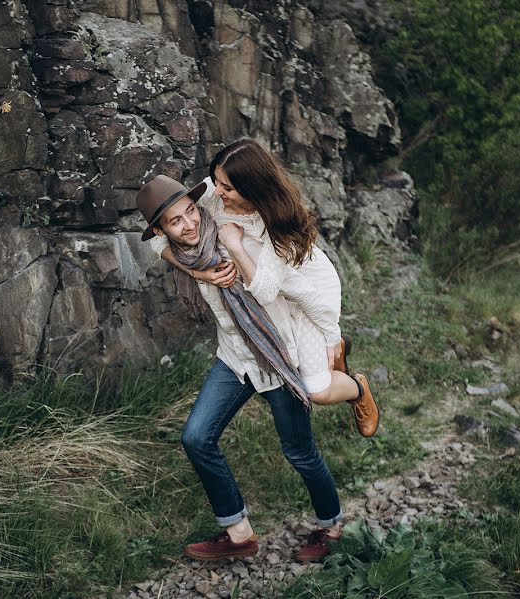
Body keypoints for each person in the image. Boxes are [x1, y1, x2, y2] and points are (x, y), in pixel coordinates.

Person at [135, 173, 363, 563]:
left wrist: (329, 337)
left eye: (191, 212)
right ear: (161, 228)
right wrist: (196, 272)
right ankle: (239, 534)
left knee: (299, 452)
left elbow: (225, 178)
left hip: (278, 357)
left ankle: (331, 524)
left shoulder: (236, 229)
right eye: (175, 221)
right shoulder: (183, 250)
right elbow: (157, 246)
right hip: (235, 357)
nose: (189, 224)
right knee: (196, 438)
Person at [151, 138, 379, 437]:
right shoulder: (215, 191)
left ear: (252, 189)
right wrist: (199, 273)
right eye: (216, 181)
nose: (216, 191)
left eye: (226, 188)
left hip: (307, 295)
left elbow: (268, 290)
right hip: (278, 298)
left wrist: (331, 336)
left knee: (318, 390)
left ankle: (358, 389)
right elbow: (159, 239)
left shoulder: (277, 225)